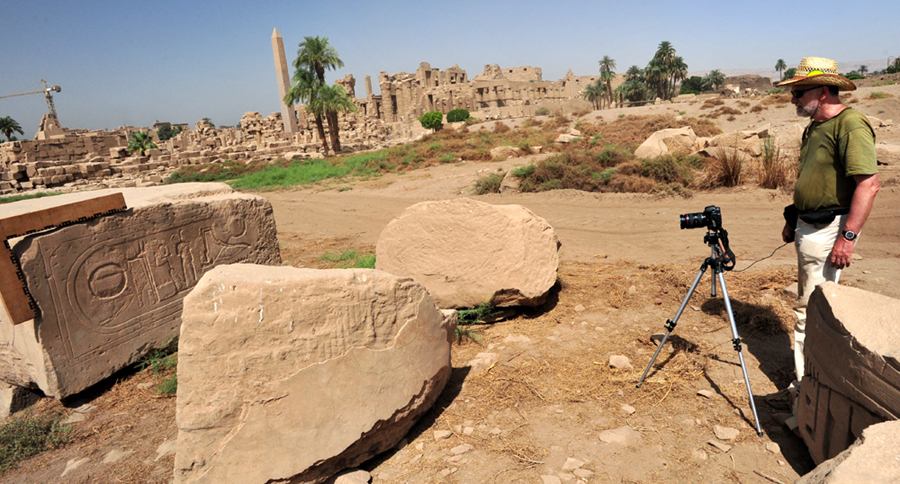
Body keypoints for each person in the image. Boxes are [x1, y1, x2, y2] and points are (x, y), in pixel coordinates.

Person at [766, 57, 880, 411]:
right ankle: (809, 389)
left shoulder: (850, 125)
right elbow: (813, 179)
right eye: (794, 92)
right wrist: (793, 217)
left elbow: (869, 184)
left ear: (825, 90)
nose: (794, 99)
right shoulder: (815, 126)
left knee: (810, 314)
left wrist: (847, 238)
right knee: (810, 309)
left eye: (799, 92)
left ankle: (806, 396)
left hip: (829, 230)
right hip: (808, 225)